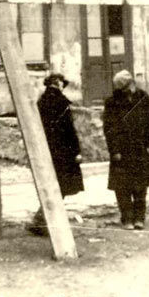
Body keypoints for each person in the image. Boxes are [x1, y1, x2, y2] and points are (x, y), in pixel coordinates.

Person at [27, 72, 84, 236]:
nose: (62, 86)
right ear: (57, 83)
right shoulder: (61, 102)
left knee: (52, 185)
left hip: (47, 149)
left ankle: (42, 220)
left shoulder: (41, 101)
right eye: (61, 83)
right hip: (64, 151)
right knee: (61, 186)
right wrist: (76, 151)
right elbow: (69, 130)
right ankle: (43, 221)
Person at [102, 70, 149, 230]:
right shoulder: (112, 102)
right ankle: (127, 218)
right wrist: (114, 150)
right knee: (122, 187)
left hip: (141, 148)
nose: (132, 87)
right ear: (123, 87)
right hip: (122, 151)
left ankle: (139, 218)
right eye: (128, 85)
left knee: (141, 185)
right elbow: (109, 128)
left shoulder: (143, 97)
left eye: (132, 83)